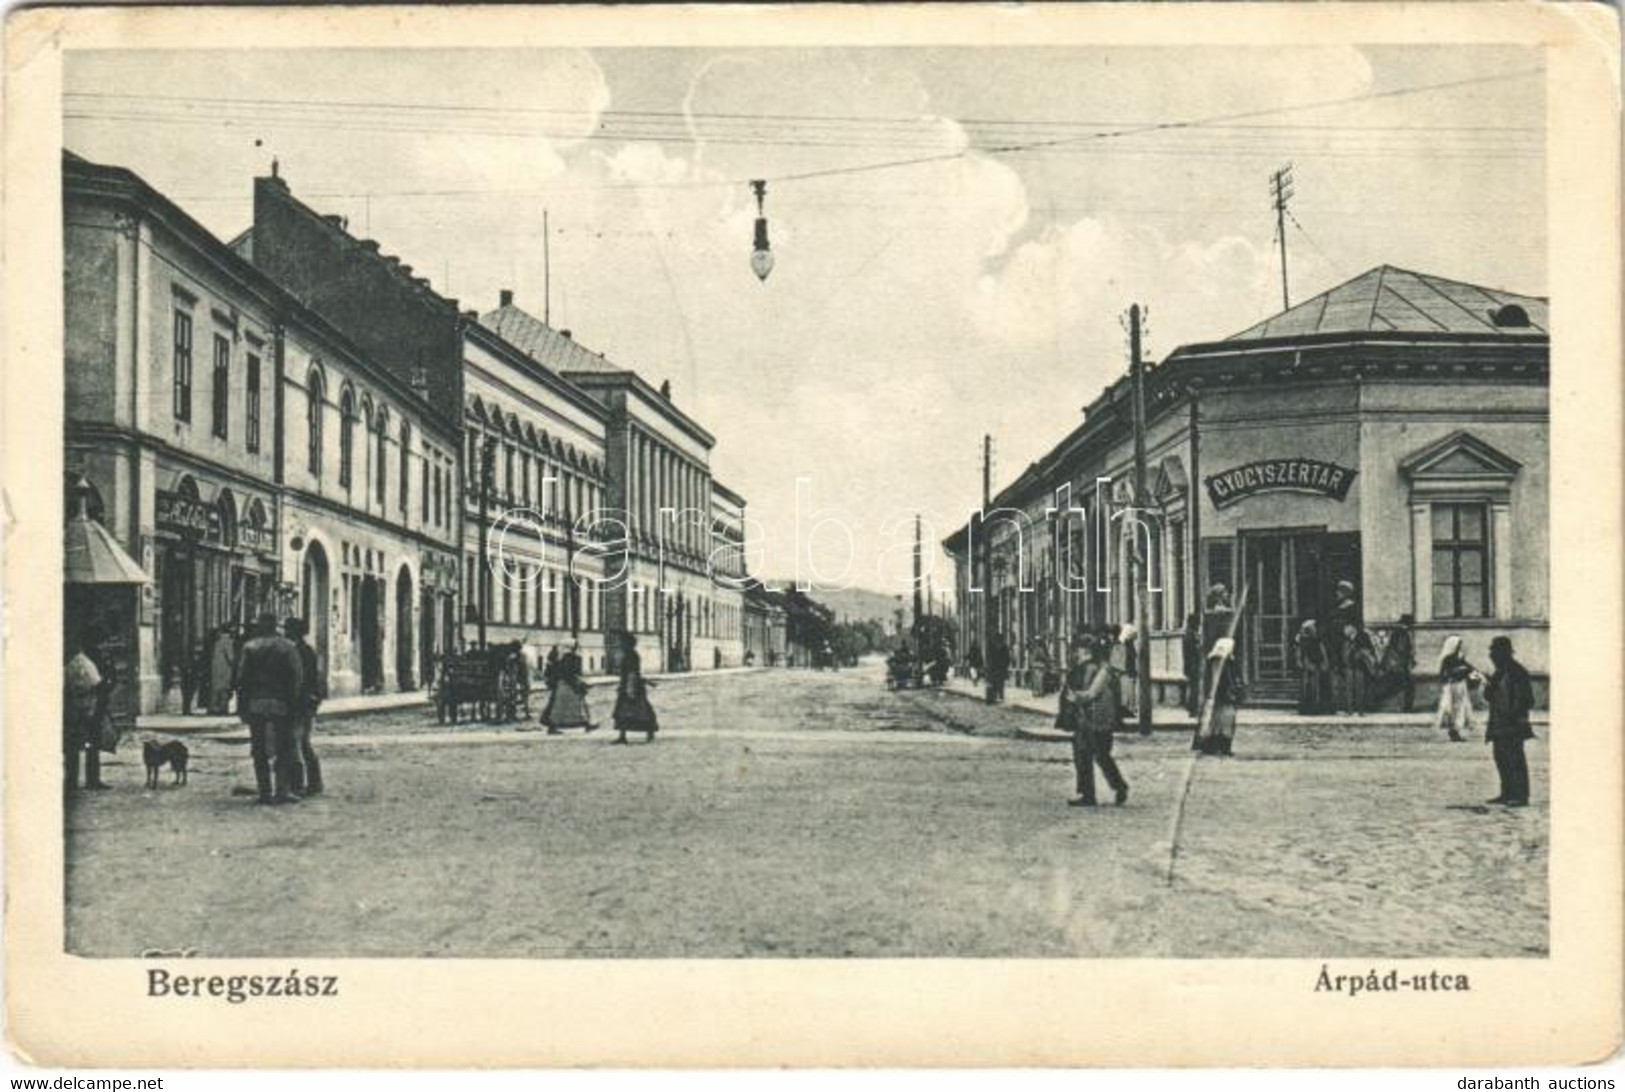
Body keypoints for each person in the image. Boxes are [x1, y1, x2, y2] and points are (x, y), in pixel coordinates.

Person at [233, 613, 305, 804]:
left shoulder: (250, 647)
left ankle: (264, 792)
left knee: (258, 749)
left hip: (256, 702)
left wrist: (242, 705)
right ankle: (281, 790)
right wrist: (294, 702)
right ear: (275, 626)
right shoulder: (287, 647)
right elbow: (297, 676)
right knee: (283, 747)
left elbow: (241, 679)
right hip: (281, 703)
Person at [1062, 636, 1129, 807]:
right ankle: (1092, 792)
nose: (1076, 653)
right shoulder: (1091, 668)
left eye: (1079, 649)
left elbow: (1091, 693)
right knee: (1089, 754)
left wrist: (1075, 697)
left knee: (1097, 755)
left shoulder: (1102, 670)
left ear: (1087, 650)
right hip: (1090, 719)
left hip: (1098, 720)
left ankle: (1113, 788)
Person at [1483, 636, 1535, 807]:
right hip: (1499, 723)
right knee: (1501, 758)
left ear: (1503, 653)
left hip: (1512, 724)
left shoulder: (1517, 672)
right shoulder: (1500, 672)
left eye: (1494, 652)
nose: (1491, 655)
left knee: (1515, 759)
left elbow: (1527, 699)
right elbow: (1489, 696)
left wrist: (1518, 716)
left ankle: (1520, 795)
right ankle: (1507, 792)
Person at [63, 630, 110, 792]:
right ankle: (92, 779)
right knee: (92, 744)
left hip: (73, 708)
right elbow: (97, 683)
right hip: (90, 707)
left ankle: (71, 780)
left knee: (73, 746)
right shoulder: (87, 662)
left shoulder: (70, 663)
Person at [283, 617, 324, 796]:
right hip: (308, 701)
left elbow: (300, 679)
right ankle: (314, 782)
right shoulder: (306, 650)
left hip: (301, 702)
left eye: (287, 629)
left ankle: (298, 784)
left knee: (297, 743)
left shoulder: (298, 651)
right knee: (304, 743)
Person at [1195, 636, 1244, 756]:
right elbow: (1224, 680)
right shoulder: (1221, 662)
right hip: (1222, 697)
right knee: (1222, 723)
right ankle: (1220, 746)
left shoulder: (1218, 661)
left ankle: (1214, 746)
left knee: (1216, 723)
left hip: (1218, 697)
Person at [612, 632, 659, 744]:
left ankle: (648, 733)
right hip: (630, 684)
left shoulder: (630, 655)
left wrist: (630, 689)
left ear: (627, 644)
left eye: (621, 642)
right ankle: (623, 736)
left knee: (639, 711)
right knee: (627, 711)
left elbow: (632, 672)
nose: (619, 644)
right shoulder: (630, 654)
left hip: (632, 685)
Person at [542, 641, 595, 733]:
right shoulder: (571, 658)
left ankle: (586, 723)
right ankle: (586, 724)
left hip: (564, 684)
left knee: (565, 707)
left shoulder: (562, 657)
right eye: (576, 646)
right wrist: (577, 683)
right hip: (567, 685)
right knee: (568, 707)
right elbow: (569, 673)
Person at [1434, 635, 1477, 743]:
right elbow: (1444, 674)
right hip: (1452, 686)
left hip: (1461, 686)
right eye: (1458, 645)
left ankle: (1456, 730)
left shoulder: (1460, 658)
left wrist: (1474, 673)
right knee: (1452, 709)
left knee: (1461, 709)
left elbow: (1470, 668)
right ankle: (1453, 730)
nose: (1459, 647)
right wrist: (1457, 671)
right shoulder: (1447, 659)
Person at [1330, 580, 1361, 714]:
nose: (1337, 593)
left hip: (1346, 643)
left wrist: (1350, 633)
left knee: (1348, 673)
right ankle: (1339, 705)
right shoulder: (1336, 607)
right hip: (1335, 642)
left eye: (1339, 591)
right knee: (1337, 674)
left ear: (1346, 593)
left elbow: (1356, 626)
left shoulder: (1353, 607)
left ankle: (1351, 706)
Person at [1294, 620, 1329, 716]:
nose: (1314, 630)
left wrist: (1323, 663)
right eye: (1312, 628)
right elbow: (1299, 653)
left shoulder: (1315, 640)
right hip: (1308, 666)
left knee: (1314, 687)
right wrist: (1300, 662)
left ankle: (1313, 707)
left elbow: (1322, 653)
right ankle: (1308, 708)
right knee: (1308, 687)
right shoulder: (1303, 640)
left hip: (1314, 665)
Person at [1384, 614, 1417, 712]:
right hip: (1401, 665)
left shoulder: (1396, 632)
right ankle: (1405, 708)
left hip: (1396, 664)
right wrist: (1410, 659)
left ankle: (1402, 707)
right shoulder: (1403, 633)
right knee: (1407, 686)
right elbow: (1401, 649)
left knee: (1400, 686)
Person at [208, 624, 238, 715]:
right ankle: (223, 708)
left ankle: (212, 708)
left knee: (215, 689)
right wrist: (234, 665)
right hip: (225, 667)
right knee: (224, 689)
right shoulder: (228, 641)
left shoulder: (218, 641)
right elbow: (230, 656)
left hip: (216, 666)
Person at [1181, 612, 1203, 721]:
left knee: (1193, 687)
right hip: (1193, 665)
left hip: (1189, 665)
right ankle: (1192, 709)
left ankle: (1191, 708)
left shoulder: (1187, 634)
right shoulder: (1191, 635)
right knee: (1194, 687)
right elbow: (1195, 650)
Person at [985, 632, 1010, 704]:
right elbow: (1007, 658)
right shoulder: (1003, 647)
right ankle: (998, 696)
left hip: (995, 668)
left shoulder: (991, 646)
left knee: (995, 683)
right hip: (998, 668)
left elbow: (988, 658)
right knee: (999, 683)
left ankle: (995, 696)